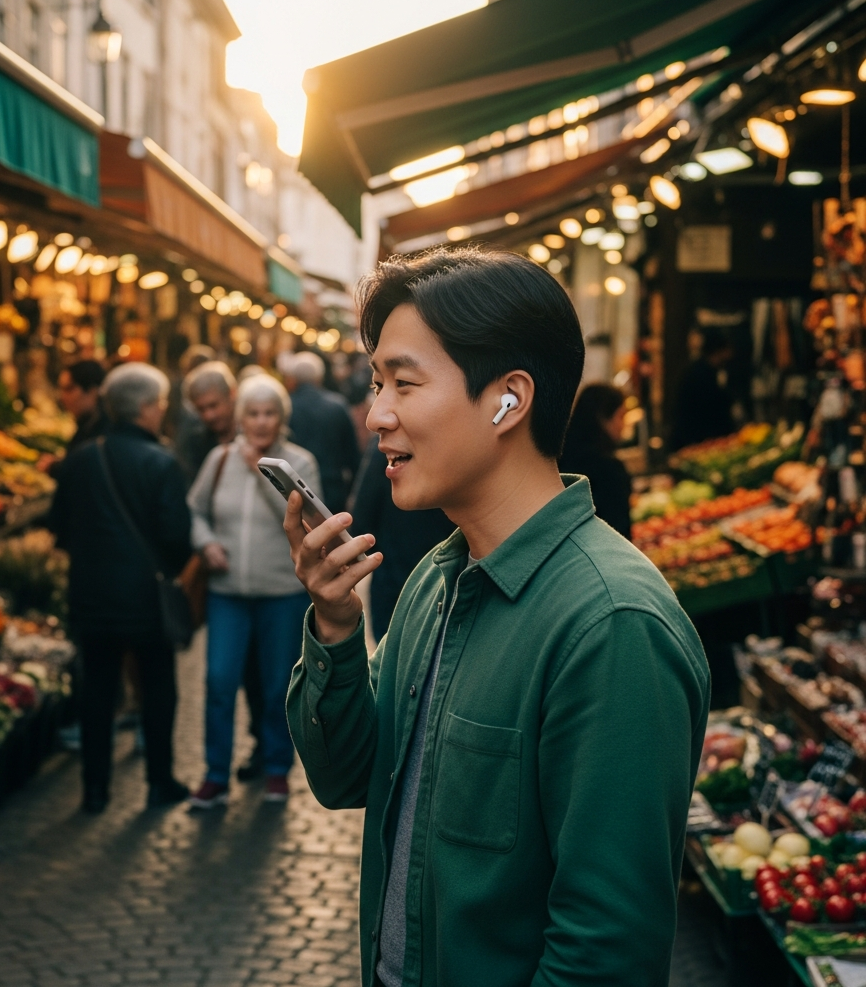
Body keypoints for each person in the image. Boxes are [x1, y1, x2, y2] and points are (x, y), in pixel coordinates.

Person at [284, 246, 710, 987]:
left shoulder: (612, 624)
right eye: (378, 383)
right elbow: (348, 774)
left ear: (509, 400)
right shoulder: (438, 581)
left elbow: (605, 951)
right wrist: (335, 625)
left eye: (403, 384)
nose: (377, 414)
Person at [48, 363, 192, 814]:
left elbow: (59, 528)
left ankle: (94, 790)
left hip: (91, 594)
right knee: (158, 689)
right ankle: (159, 781)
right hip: (145, 598)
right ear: (147, 409)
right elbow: (176, 538)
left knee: (97, 691)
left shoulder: (80, 459)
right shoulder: (163, 463)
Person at [187, 374, 320, 808]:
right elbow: (195, 510)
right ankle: (213, 775)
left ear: (282, 417)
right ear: (240, 417)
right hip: (228, 593)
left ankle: (277, 769)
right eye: (253, 413)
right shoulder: (220, 459)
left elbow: (304, 525)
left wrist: (262, 475)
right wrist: (206, 543)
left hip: (281, 592)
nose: (261, 422)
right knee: (220, 680)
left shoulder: (301, 462)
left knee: (277, 684)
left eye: (270, 413)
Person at [350, 437, 455, 639]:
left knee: (390, 649)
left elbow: (365, 509)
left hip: (394, 571)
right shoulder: (453, 443)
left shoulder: (386, 446)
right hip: (447, 570)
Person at [285, 352, 361, 514]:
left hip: (295, 490)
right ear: (319, 377)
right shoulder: (337, 406)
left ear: (293, 379)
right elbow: (353, 455)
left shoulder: (286, 407)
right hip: (333, 492)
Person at [560, 383, 632, 540]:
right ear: (603, 418)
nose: (623, 425)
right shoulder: (609, 469)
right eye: (621, 416)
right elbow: (620, 534)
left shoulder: (556, 457)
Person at [670, 327, 735, 451]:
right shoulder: (701, 376)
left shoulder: (704, 371)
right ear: (719, 350)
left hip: (695, 443)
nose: (731, 354)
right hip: (693, 445)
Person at [42, 360, 109, 477]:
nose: (62, 397)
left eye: (68, 389)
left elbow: (88, 472)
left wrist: (57, 468)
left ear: (91, 391)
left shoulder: (103, 431)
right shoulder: (89, 422)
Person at [176, 362, 237, 489]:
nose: (209, 415)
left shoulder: (254, 434)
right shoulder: (193, 441)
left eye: (213, 405)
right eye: (201, 409)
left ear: (231, 394)